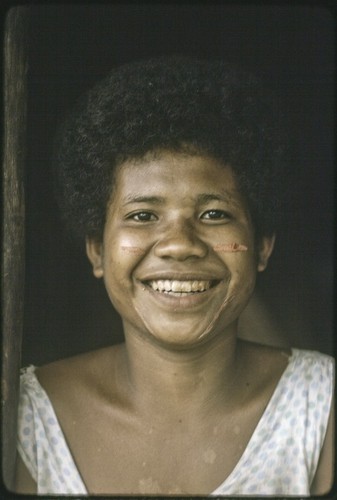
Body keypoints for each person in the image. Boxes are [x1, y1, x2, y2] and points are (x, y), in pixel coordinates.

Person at [15, 56, 334, 495]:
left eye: (214, 213)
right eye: (143, 215)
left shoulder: (320, 409)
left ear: (262, 246)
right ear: (97, 251)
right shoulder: (28, 417)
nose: (180, 243)